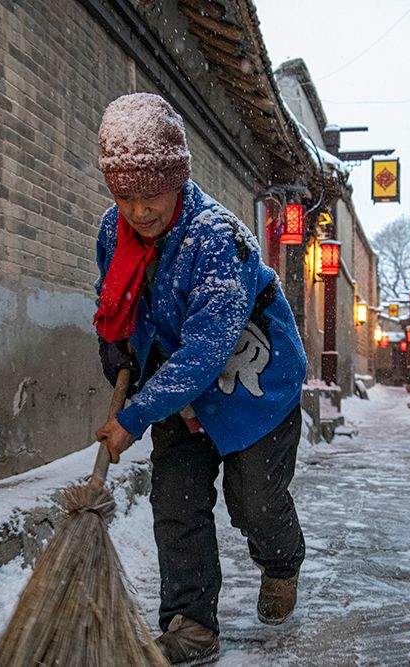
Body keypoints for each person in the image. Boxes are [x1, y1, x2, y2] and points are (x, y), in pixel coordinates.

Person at [92, 92, 307, 666]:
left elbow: (206, 351)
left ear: (179, 178)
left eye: (151, 194)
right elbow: (114, 304)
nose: (138, 211)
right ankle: (190, 622)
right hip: (178, 397)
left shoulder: (215, 237)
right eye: (123, 195)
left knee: (254, 503)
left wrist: (133, 416)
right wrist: (114, 352)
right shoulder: (114, 234)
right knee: (177, 503)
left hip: (253, 391)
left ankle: (282, 560)